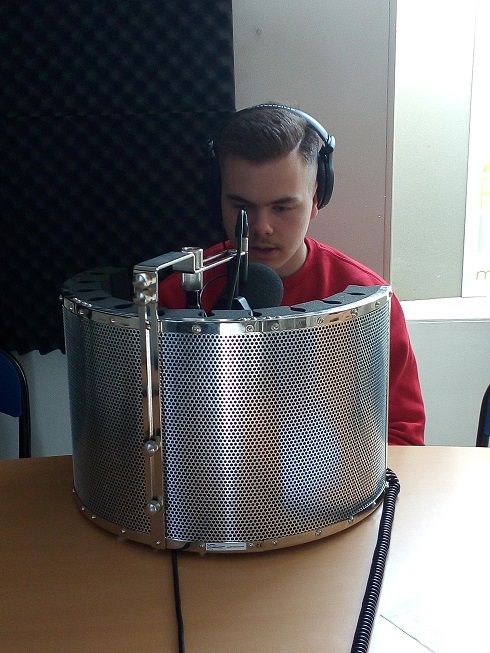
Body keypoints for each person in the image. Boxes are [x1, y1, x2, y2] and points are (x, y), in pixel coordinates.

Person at [158, 104, 425, 446]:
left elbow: (402, 436)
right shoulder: (176, 295)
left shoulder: (367, 301)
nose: (261, 228)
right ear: (217, 198)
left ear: (315, 199)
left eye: (282, 207)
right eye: (242, 207)